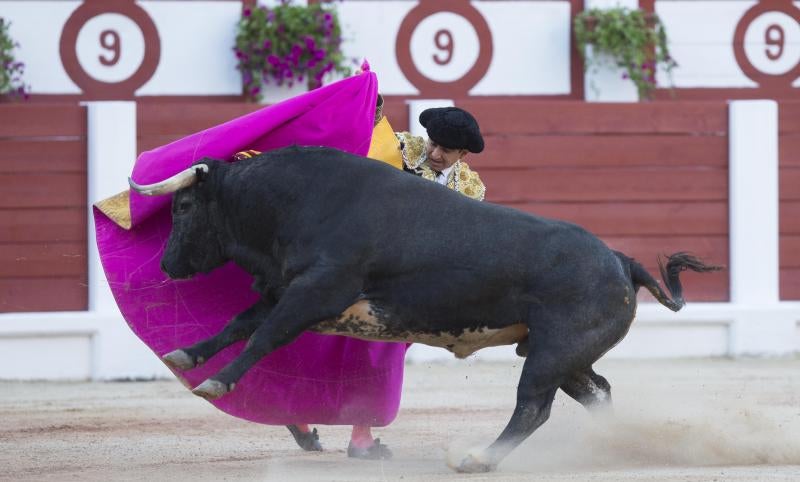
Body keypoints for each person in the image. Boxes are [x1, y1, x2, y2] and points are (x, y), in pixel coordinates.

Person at [287, 104, 487, 460]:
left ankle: (306, 415)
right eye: (433, 143)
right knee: (357, 347)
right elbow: (358, 143)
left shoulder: (471, 188)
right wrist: (366, 107)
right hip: (364, 266)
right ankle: (355, 436)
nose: (435, 153)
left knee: (366, 349)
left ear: (464, 154)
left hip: (413, 282)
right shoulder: (401, 149)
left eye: (445, 150)